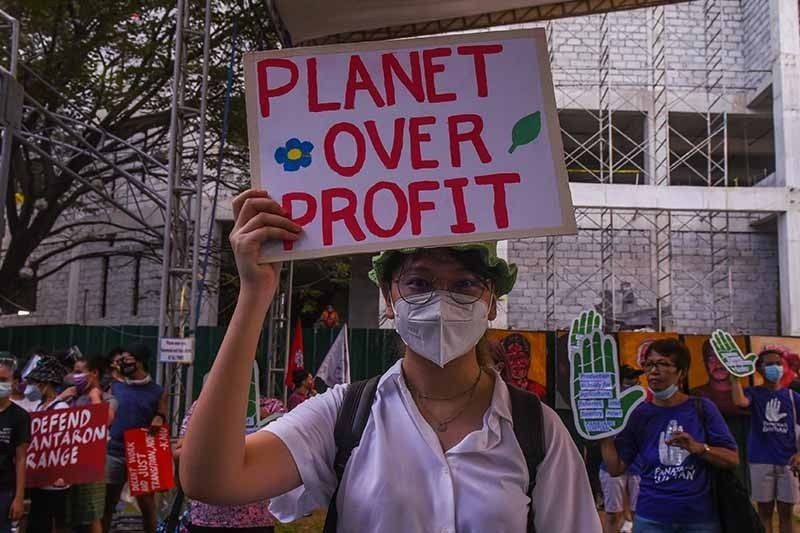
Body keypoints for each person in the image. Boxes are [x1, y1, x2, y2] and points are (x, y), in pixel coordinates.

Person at [179, 189, 601, 532]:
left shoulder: (538, 431)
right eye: (418, 282)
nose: (440, 300)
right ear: (388, 297)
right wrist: (254, 293)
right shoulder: (344, 416)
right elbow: (212, 479)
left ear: (491, 303)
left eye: (466, 284)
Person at [601, 339, 739, 532]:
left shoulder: (702, 408)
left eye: (663, 364)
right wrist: (603, 435)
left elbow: (732, 459)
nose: (653, 371)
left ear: (681, 372)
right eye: (649, 364)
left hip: (699, 519)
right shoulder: (639, 414)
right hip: (652, 519)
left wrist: (699, 448)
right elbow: (616, 468)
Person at [174, 391, 286, 532]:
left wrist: (260, 415)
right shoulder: (204, 405)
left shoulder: (273, 407)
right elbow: (180, 452)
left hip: (255, 520)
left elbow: (280, 453)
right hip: (206, 517)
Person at [730, 349, 800, 533]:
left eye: (778, 363)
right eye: (769, 364)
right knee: (764, 513)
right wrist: (735, 377)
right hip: (760, 460)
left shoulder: (793, 397)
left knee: (786, 514)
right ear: (760, 369)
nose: (775, 367)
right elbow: (740, 402)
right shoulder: (754, 392)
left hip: (788, 462)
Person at [102, 343, 168, 533]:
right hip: (114, 451)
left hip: (142, 451)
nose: (122, 363)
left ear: (139, 361)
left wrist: (159, 418)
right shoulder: (115, 387)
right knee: (108, 503)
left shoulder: (158, 391)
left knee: (147, 505)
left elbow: (162, 414)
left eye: (126, 359)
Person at [60, 354, 116, 533]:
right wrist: (61, 398)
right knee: (65, 513)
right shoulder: (69, 398)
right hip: (67, 462)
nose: (75, 376)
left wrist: (95, 398)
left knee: (91, 514)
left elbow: (105, 421)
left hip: (92, 464)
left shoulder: (108, 399)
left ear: (94, 373)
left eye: (79, 372)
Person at [25, 356, 71, 533]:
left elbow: (64, 444)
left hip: (54, 480)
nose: (33, 387)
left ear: (47, 384)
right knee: (36, 521)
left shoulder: (61, 409)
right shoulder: (38, 406)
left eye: (36, 383)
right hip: (39, 477)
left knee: (45, 521)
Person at [600, 365, 643, 533]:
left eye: (636, 381)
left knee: (639, 514)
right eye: (628, 381)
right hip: (611, 463)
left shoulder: (644, 401)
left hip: (639, 465)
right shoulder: (608, 402)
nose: (633, 384)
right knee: (612, 514)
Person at [0, 357, 29, 533]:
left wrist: (19, 497)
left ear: (14, 382)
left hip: (4, 488)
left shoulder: (20, 417)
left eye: (3, 380)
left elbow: (21, 458)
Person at [689, 339, 749, 417]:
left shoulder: (748, 395)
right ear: (705, 363)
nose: (718, 365)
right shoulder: (695, 396)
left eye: (723, 358)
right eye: (712, 360)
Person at [500, 333, 546, 399]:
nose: (518, 363)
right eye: (512, 358)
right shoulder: (500, 390)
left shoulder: (539, 391)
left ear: (529, 359)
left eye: (521, 357)